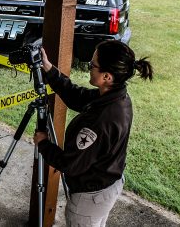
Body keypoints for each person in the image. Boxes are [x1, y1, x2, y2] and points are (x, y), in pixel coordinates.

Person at [33, 40, 153, 227]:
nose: (89, 67)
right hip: (107, 184)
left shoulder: (100, 120)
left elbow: (70, 164)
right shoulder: (116, 96)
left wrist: (43, 143)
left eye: (92, 65)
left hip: (90, 199)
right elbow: (78, 96)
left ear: (107, 76)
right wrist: (49, 69)